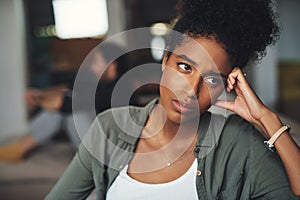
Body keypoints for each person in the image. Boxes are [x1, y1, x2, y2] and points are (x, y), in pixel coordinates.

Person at [46, 0, 300, 199]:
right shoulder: (109, 129)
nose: (191, 90)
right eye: (184, 67)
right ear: (165, 60)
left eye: (212, 80)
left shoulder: (239, 142)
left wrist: (267, 119)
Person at [0, 42, 128, 161]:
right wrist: (40, 94)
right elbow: (69, 88)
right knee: (70, 101)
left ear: (111, 65)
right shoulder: (101, 85)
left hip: (105, 152)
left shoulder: (119, 90)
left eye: (96, 62)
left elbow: (65, 103)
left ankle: (20, 147)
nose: (92, 67)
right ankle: (20, 145)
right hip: (95, 144)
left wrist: (38, 100)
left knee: (69, 110)